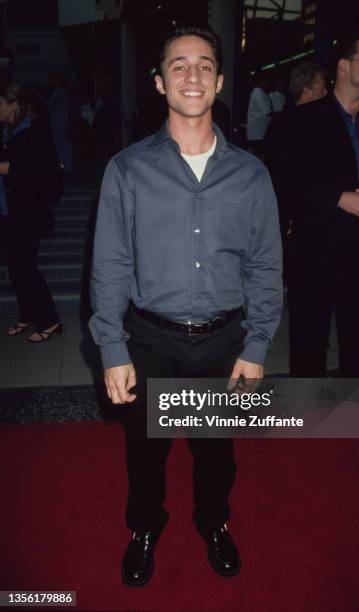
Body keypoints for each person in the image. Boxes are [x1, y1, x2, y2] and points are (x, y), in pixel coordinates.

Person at [89, 25, 283, 586]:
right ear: (159, 82)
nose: (192, 75)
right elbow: (109, 265)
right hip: (148, 340)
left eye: (203, 65)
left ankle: (214, 523)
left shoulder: (251, 174)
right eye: (178, 65)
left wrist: (258, 343)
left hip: (223, 342)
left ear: (220, 82)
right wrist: (112, 346)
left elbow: (266, 267)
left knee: (215, 454)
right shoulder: (128, 169)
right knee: (145, 454)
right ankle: (145, 528)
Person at [272, 37, 359, 376]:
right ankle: (305, 409)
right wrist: (338, 197)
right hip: (316, 247)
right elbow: (284, 178)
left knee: (357, 340)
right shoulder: (300, 121)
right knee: (309, 339)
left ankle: (350, 405)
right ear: (343, 66)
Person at [0, 83, 63, 341]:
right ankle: (27, 314)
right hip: (8, 211)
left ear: (13, 104)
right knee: (16, 268)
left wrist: (7, 168)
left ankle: (50, 321)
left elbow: (43, 171)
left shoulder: (35, 129)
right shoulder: (7, 130)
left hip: (29, 213)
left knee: (26, 268)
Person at [264, 62, 327, 282]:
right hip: (292, 206)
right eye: (322, 87)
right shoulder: (296, 123)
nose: (326, 92)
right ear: (306, 89)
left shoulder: (282, 122)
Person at [246, 73, 285, 159]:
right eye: (265, 80)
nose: (267, 82)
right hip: (259, 132)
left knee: (253, 155)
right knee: (258, 156)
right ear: (261, 81)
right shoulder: (259, 93)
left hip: (256, 131)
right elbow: (267, 112)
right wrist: (281, 114)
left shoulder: (256, 92)